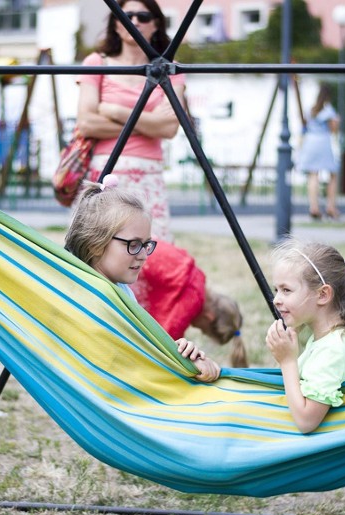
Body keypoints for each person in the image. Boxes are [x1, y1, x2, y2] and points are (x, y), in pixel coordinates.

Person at [64, 176, 221, 382]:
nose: (143, 255)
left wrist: (182, 353)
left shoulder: (120, 291)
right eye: (133, 244)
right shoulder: (95, 300)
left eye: (147, 244)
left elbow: (145, 346)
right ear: (96, 244)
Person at [75, 0, 185, 241]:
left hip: (149, 177)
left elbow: (170, 127)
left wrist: (114, 110)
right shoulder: (97, 63)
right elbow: (87, 123)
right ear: (115, 23)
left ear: (156, 24)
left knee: (152, 252)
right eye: (127, 16)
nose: (134, 22)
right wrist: (149, 125)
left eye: (143, 16)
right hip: (106, 171)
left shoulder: (170, 69)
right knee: (100, 248)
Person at [265, 238, 345, 433]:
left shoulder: (333, 350)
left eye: (286, 290)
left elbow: (306, 422)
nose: (276, 300)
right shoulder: (331, 338)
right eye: (276, 290)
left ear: (323, 295)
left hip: (332, 450)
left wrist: (287, 362)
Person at [130, 240, 248, 367]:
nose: (195, 327)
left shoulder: (198, 278)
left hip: (138, 244)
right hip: (132, 258)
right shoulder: (191, 304)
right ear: (209, 317)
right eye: (202, 329)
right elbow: (163, 346)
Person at [296, 85, 340, 220]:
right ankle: (330, 207)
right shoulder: (328, 110)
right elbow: (333, 129)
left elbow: (304, 124)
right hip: (323, 142)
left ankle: (313, 207)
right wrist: (337, 122)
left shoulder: (312, 109)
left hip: (310, 142)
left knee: (313, 174)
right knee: (333, 174)